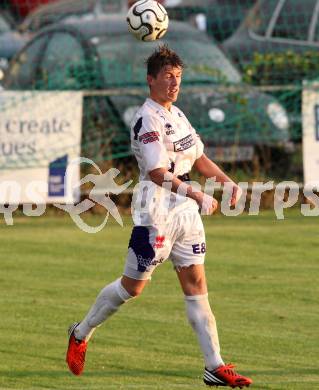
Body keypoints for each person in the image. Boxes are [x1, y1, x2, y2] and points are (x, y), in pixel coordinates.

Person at [66, 45, 253, 388]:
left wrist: (227, 182)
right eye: (167, 77)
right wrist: (196, 192)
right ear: (150, 80)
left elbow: (198, 158)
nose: (174, 83)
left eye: (178, 77)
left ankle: (215, 365)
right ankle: (81, 332)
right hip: (156, 212)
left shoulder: (177, 114)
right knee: (132, 288)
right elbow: (154, 173)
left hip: (184, 212)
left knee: (196, 285)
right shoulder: (147, 118)